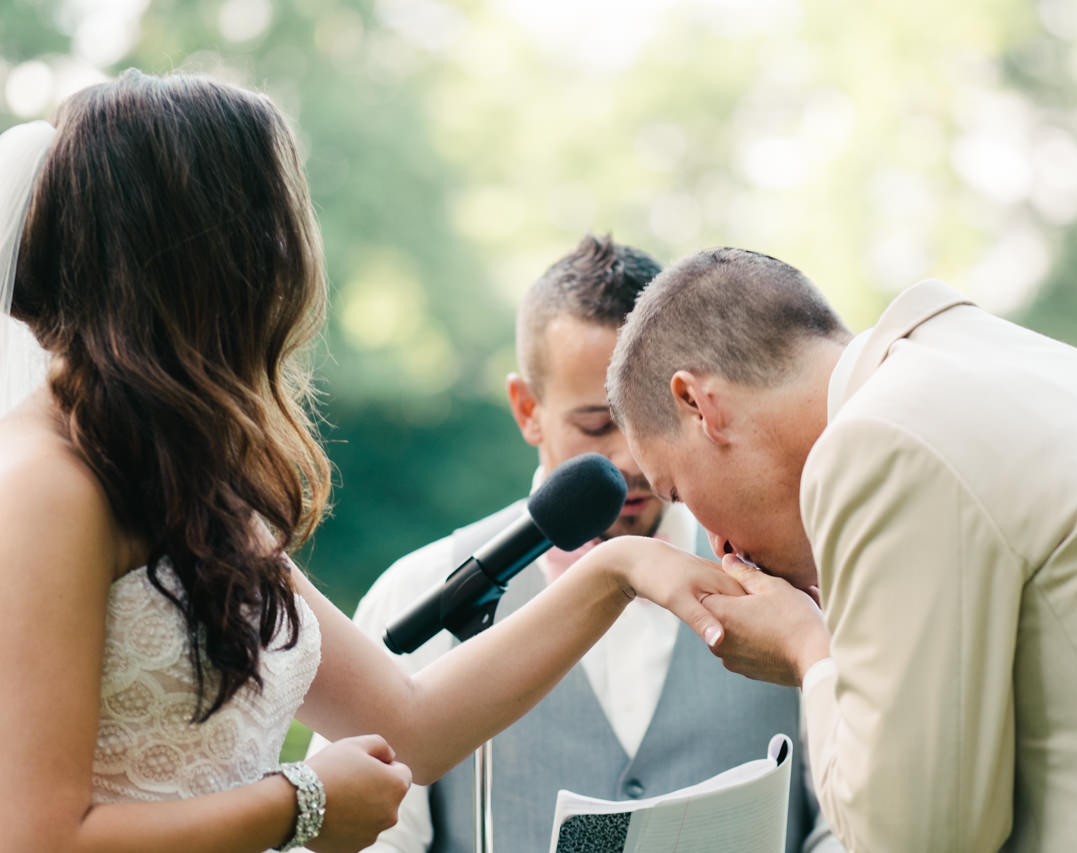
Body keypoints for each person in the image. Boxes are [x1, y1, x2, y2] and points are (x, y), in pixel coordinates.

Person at [0, 71, 739, 853]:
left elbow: (411, 722)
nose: (290, 253)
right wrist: (300, 802)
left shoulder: (180, 476)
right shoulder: (49, 483)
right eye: (271, 222)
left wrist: (616, 570)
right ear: (198, 253)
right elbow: (34, 836)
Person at [604, 247, 1077, 851]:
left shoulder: (882, 443)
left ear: (697, 403)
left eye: (679, 491)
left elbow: (917, 837)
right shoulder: (1067, 382)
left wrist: (809, 649)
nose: (717, 544)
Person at [311, 235, 841, 852]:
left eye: (650, 421)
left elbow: (848, 812)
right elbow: (362, 836)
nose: (630, 457)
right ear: (526, 408)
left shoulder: (786, 576)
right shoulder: (417, 590)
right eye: (597, 424)